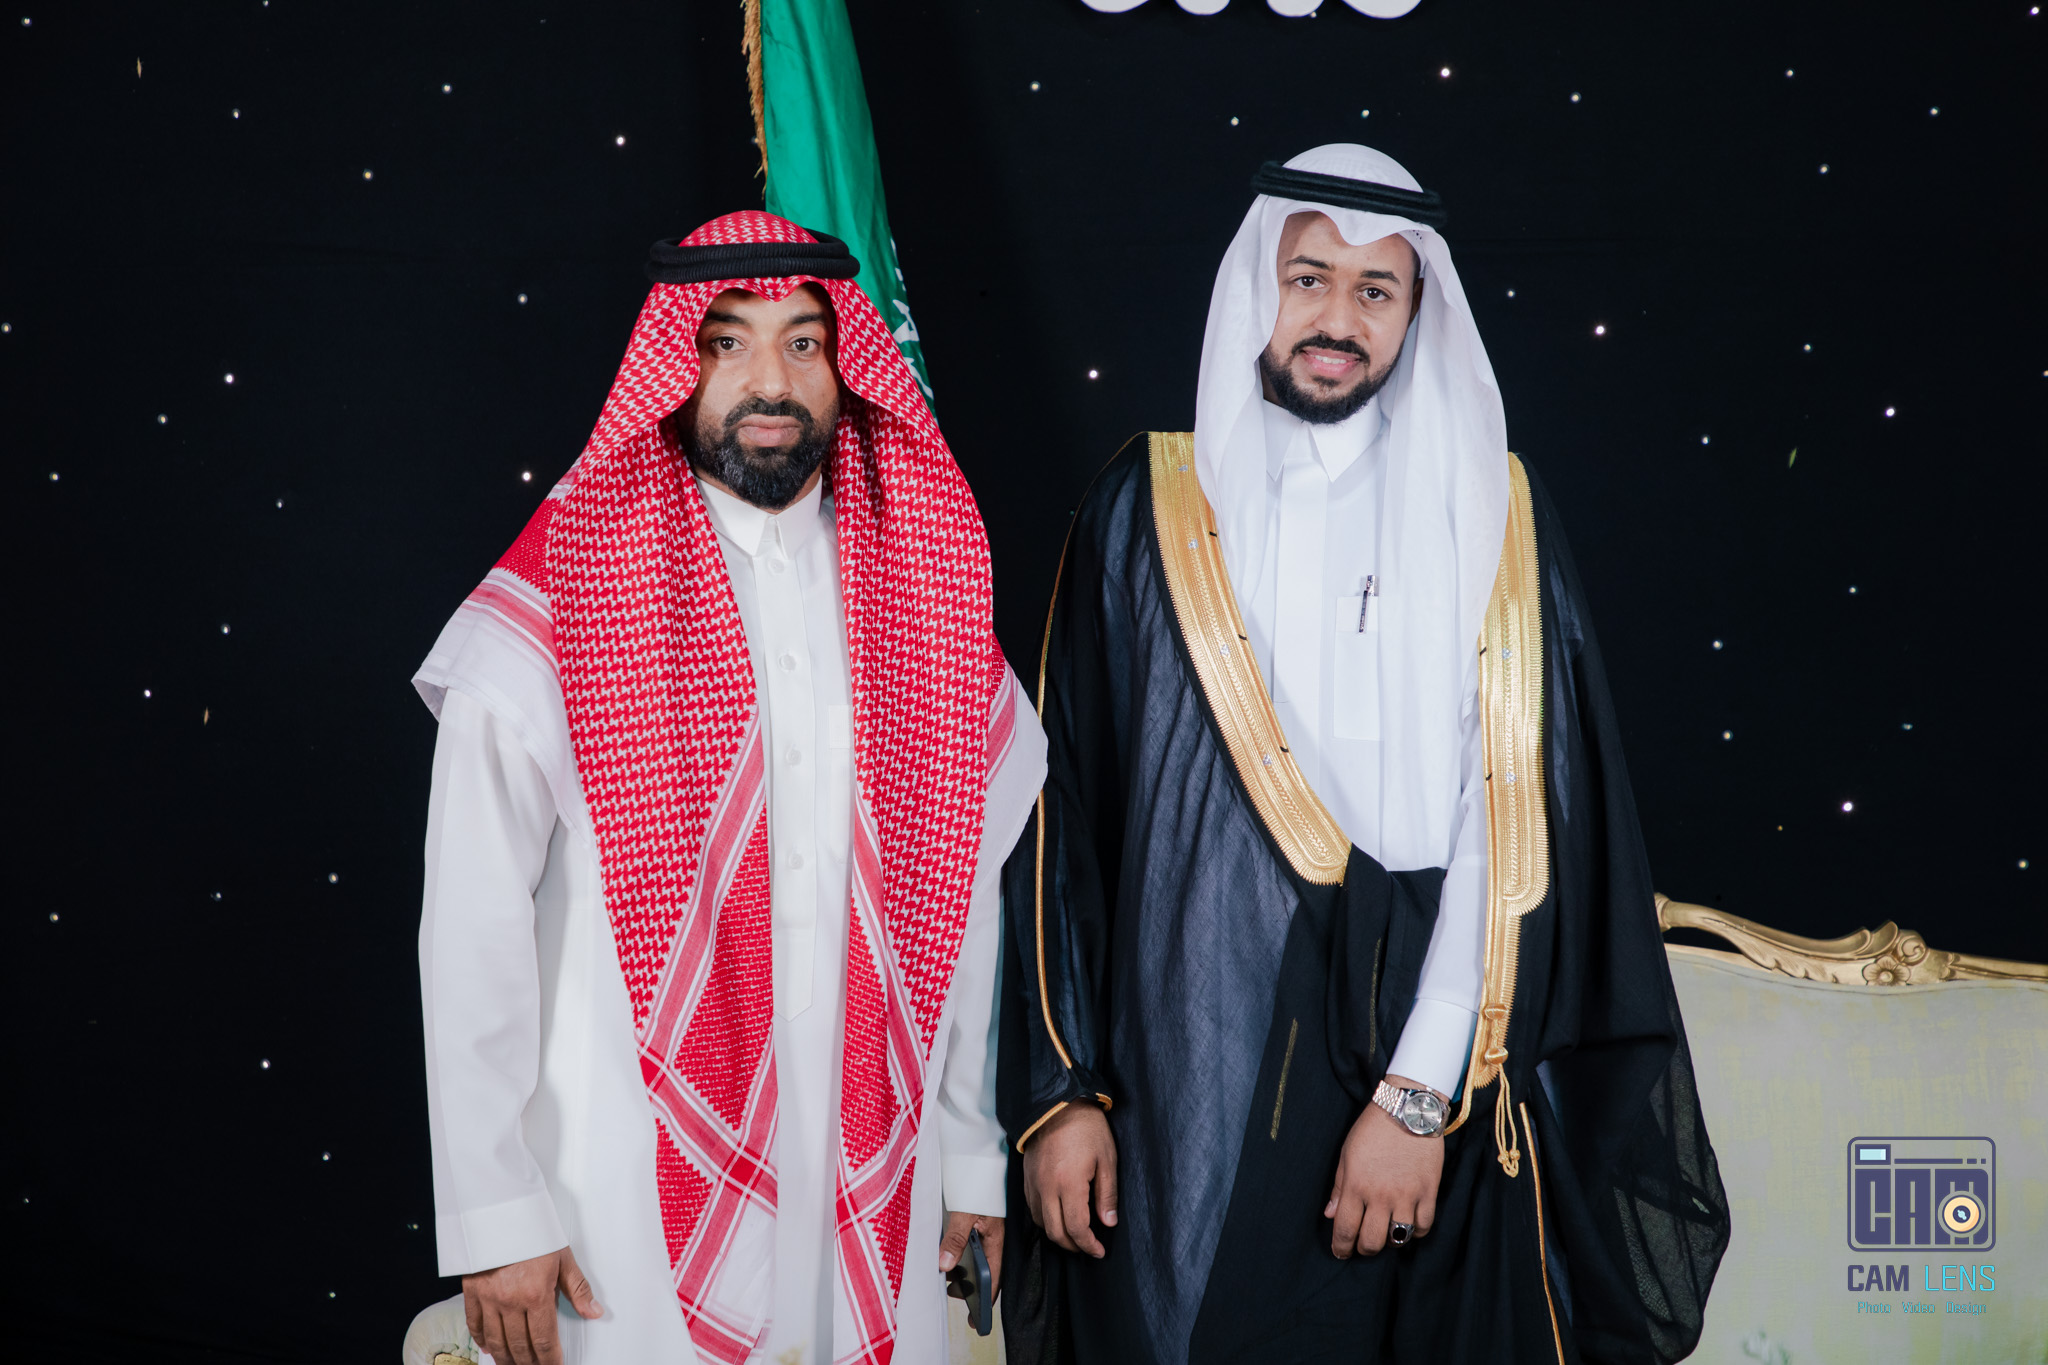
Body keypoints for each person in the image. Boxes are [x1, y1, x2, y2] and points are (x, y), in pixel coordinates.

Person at [998, 145, 1729, 1363]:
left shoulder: (1491, 512)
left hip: (1440, 1052)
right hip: (1194, 1058)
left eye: (1373, 290)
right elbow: (1056, 815)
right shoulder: (1148, 506)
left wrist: (1418, 1095)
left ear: (1414, 310)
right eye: (1308, 279)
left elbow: (1511, 822)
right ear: (1259, 288)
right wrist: (1060, 1094)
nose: (1336, 319)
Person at [413, 211, 1044, 1365]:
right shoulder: (563, 590)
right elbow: (471, 919)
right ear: (675, 368)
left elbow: (965, 899)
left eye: (803, 344)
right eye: (727, 343)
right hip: (612, 1175)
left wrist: (966, 1152)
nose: (771, 382)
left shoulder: (923, 589)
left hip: (879, 1166)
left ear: (846, 369)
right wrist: (495, 1208)